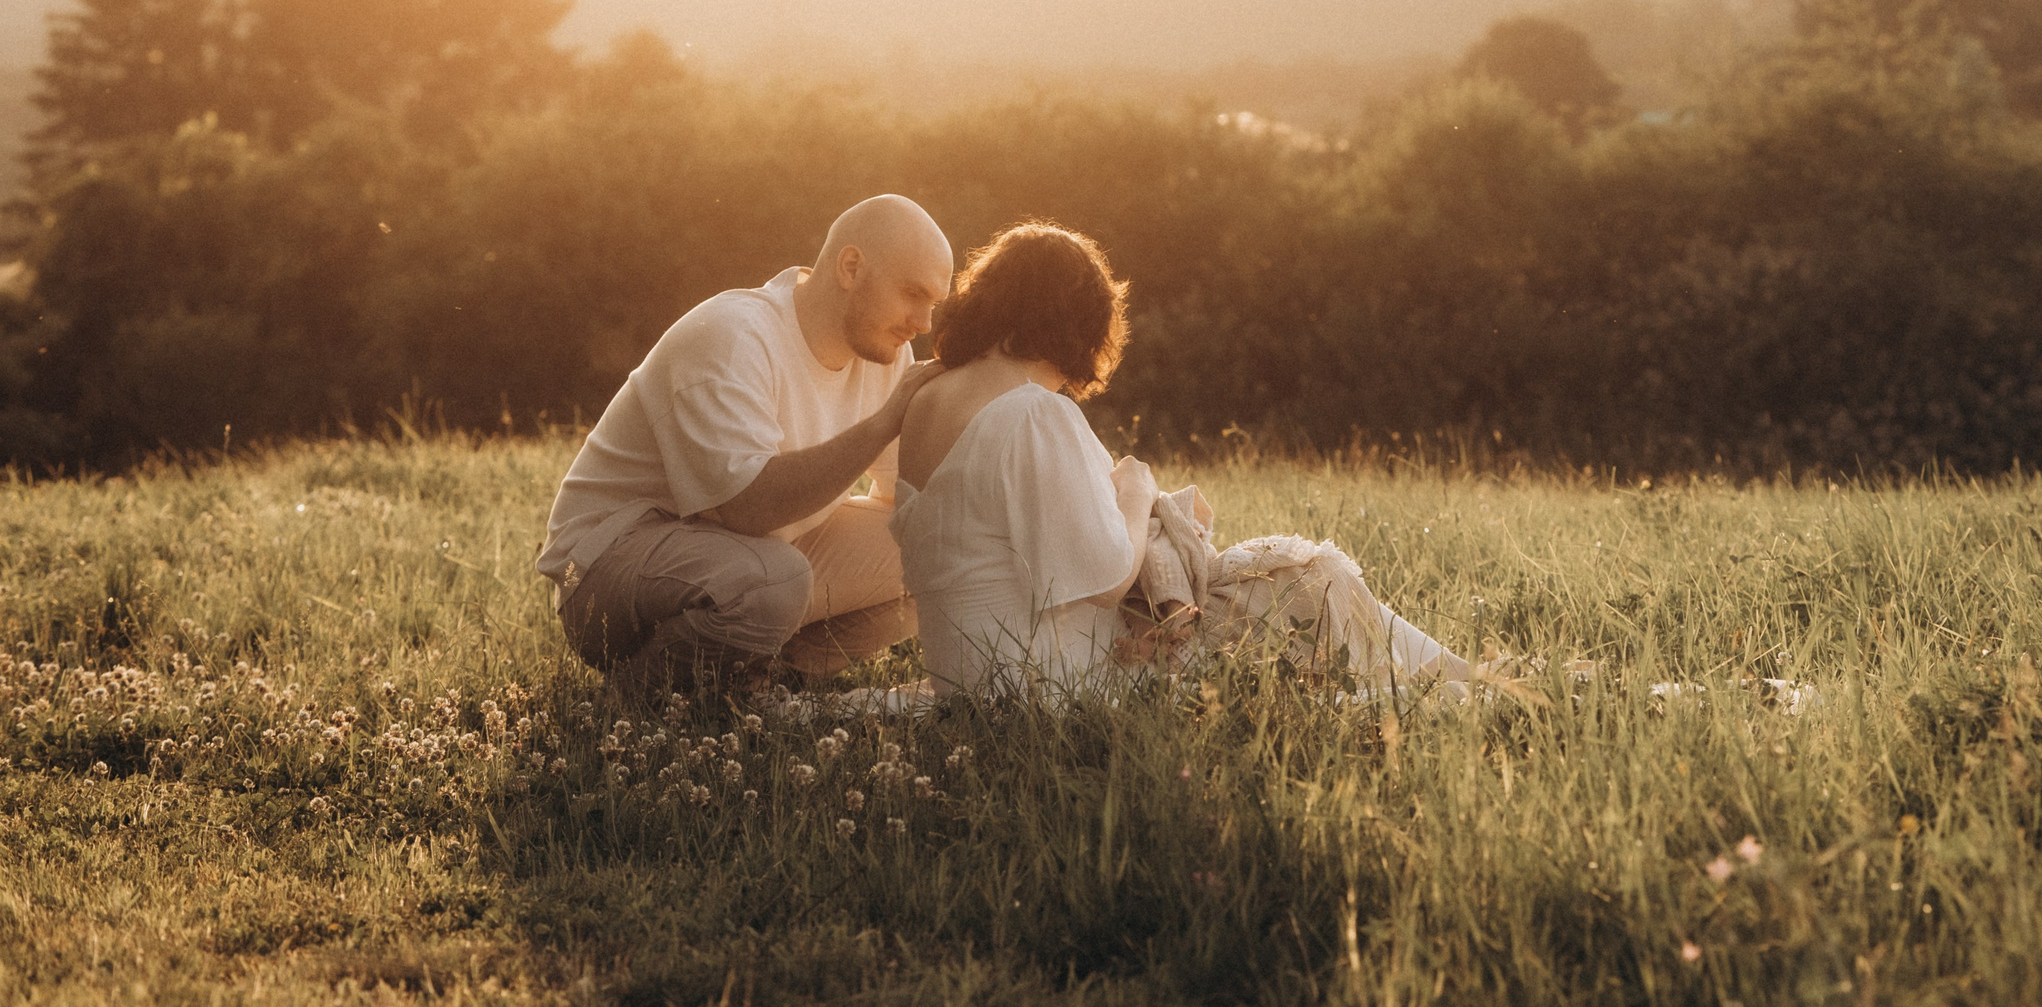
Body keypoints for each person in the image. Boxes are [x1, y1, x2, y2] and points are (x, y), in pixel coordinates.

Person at [890, 220, 1472, 699]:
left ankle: (1465, 677)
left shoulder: (924, 401)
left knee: (1282, 585)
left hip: (968, 681)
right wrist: (1135, 488)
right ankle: (1460, 686)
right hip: (1062, 680)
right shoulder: (1034, 412)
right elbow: (1108, 578)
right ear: (1075, 322)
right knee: (1311, 575)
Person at [538, 195, 953, 690]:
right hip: (600, 572)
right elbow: (747, 508)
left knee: (936, 541)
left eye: (934, 303)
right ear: (850, 266)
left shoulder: (887, 354)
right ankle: (626, 707)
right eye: (912, 293)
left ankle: (771, 681)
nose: (924, 323)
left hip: (752, 562)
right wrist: (884, 423)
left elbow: (900, 501)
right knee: (774, 581)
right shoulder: (732, 334)